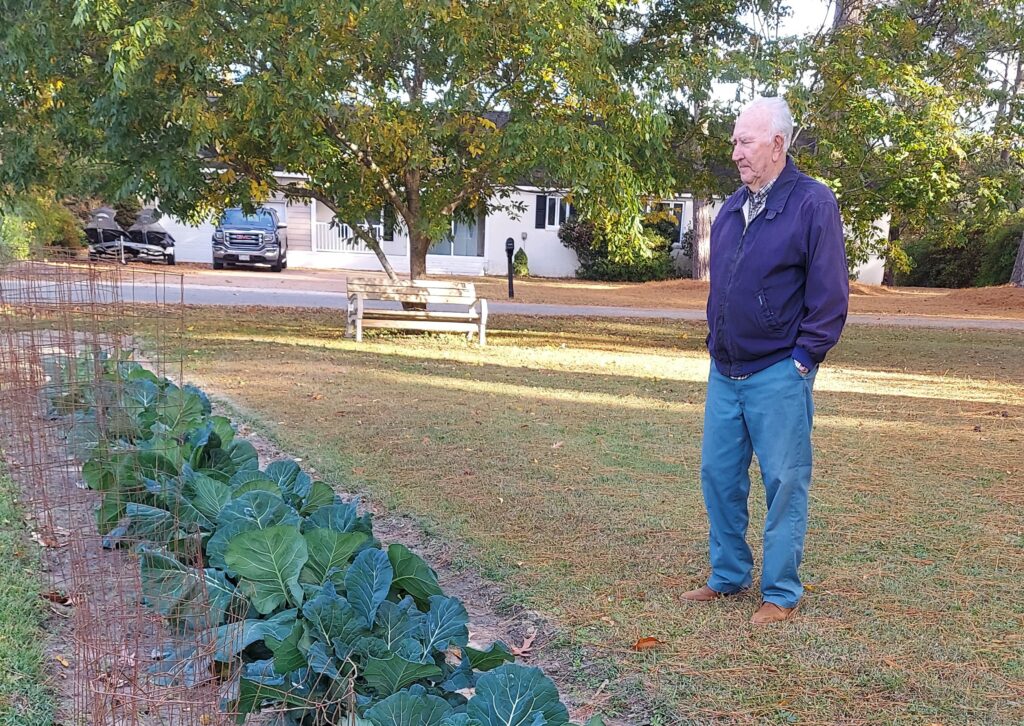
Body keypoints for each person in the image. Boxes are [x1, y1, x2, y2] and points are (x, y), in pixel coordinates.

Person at [681, 96, 849, 624]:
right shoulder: (732, 209)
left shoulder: (813, 204)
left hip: (779, 371)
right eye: (734, 141)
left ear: (778, 145)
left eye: (744, 141)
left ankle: (779, 593)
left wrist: (803, 361)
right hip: (724, 371)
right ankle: (728, 576)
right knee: (719, 475)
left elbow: (830, 297)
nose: (735, 152)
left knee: (784, 482)